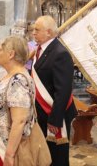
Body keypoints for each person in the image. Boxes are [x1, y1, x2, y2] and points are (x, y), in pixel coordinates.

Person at [0, 36, 35, 165]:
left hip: (5, 147)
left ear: (11, 54)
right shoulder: (11, 75)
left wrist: (9, 155)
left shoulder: (18, 80)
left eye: (0, 50)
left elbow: (19, 120)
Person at [32, 15, 77, 166]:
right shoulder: (40, 50)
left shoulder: (60, 53)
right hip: (41, 113)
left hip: (54, 115)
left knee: (57, 156)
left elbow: (63, 90)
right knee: (45, 155)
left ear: (49, 32)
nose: (33, 33)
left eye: (37, 30)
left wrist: (55, 119)